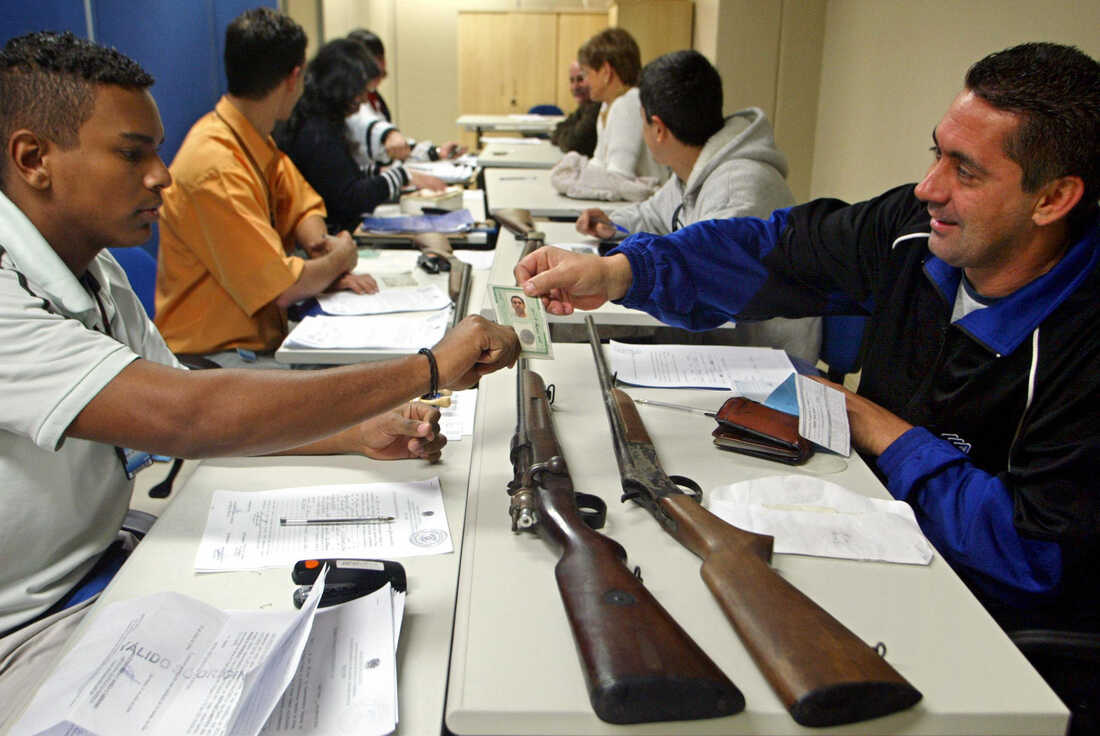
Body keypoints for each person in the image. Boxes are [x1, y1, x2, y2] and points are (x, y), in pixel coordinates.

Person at [0, 31, 518, 719]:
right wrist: (427, 368)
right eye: (134, 154)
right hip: (28, 625)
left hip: (104, 559)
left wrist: (356, 434)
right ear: (34, 159)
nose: (160, 174)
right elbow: (187, 415)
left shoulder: (92, 266)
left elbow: (190, 423)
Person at [517, 42, 1100, 635]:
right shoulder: (913, 228)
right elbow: (773, 248)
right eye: (937, 154)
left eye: (966, 170)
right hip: (881, 531)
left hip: (989, 618)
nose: (928, 187)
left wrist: (883, 431)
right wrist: (623, 272)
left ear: (1053, 199)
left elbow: (1036, 552)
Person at [155, 8, 376, 363]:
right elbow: (285, 289)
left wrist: (318, 245)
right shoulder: (215, 166)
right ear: (294, 78)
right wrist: (339, 259)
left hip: (257, 342)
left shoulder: (252, 140)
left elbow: (302, 204)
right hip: (213, 359)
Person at [575, 50, 820, 361]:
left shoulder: (736, 188)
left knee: (594, 351)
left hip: (763, 358)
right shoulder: (695, 169)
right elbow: (653, 214)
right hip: (719, 341)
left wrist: (614, 274)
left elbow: (701, 284)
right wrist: (613, 224)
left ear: (659, 129)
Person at [275, 39, 413, 232]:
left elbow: (341, 174)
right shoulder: (316, 132)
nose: (364, 99)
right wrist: (403, 175)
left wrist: (381, 174)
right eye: (360, 91)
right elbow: (350, 197)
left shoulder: (319, 119)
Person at [344, 29, 463, 169]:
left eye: (381, 58)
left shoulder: (375, 99)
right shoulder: (349, 104)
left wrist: (435, 152)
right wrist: (389, 134)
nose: (379, 66)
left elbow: (396, 150)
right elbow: (366, 124)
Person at [577, 28, 661, 181]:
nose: (585, 82)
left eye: (586, 73)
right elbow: (598, 163)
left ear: (606, 72)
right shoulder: (607, 106)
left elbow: (619, 176)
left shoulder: (628, 104)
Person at [550, 61, 599, 157]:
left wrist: (565, 136)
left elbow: (574, 144)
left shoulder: (597, 107)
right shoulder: (585, 107)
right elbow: (557, 130)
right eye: (572, 81)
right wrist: (566, 135)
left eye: (581, 79)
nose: (575, 87)